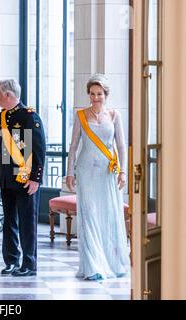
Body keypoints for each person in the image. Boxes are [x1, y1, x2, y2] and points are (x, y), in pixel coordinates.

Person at [66, 74, 130, 280]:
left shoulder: (114, 116)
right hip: (86, 172)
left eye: (99, 94)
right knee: (90, 217)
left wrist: (123, 171)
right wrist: (69, 172)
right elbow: (74, 146)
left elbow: (121, 146)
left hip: (107, 173)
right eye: (92, 94)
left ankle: (112, 263)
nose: (95, 98)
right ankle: (93, 266)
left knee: (109, 216)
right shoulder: (81, 116)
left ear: (106, 94)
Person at [0, 79, 46, 277]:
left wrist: (35, 179)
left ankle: (29, 264)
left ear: (8, 95)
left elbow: (39, 149)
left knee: (27, 222)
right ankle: (12, 260)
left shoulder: (30, 116)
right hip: (7, 178)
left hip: (25, 178)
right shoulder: (3, 116)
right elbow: (1, 148)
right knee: (9, 222)